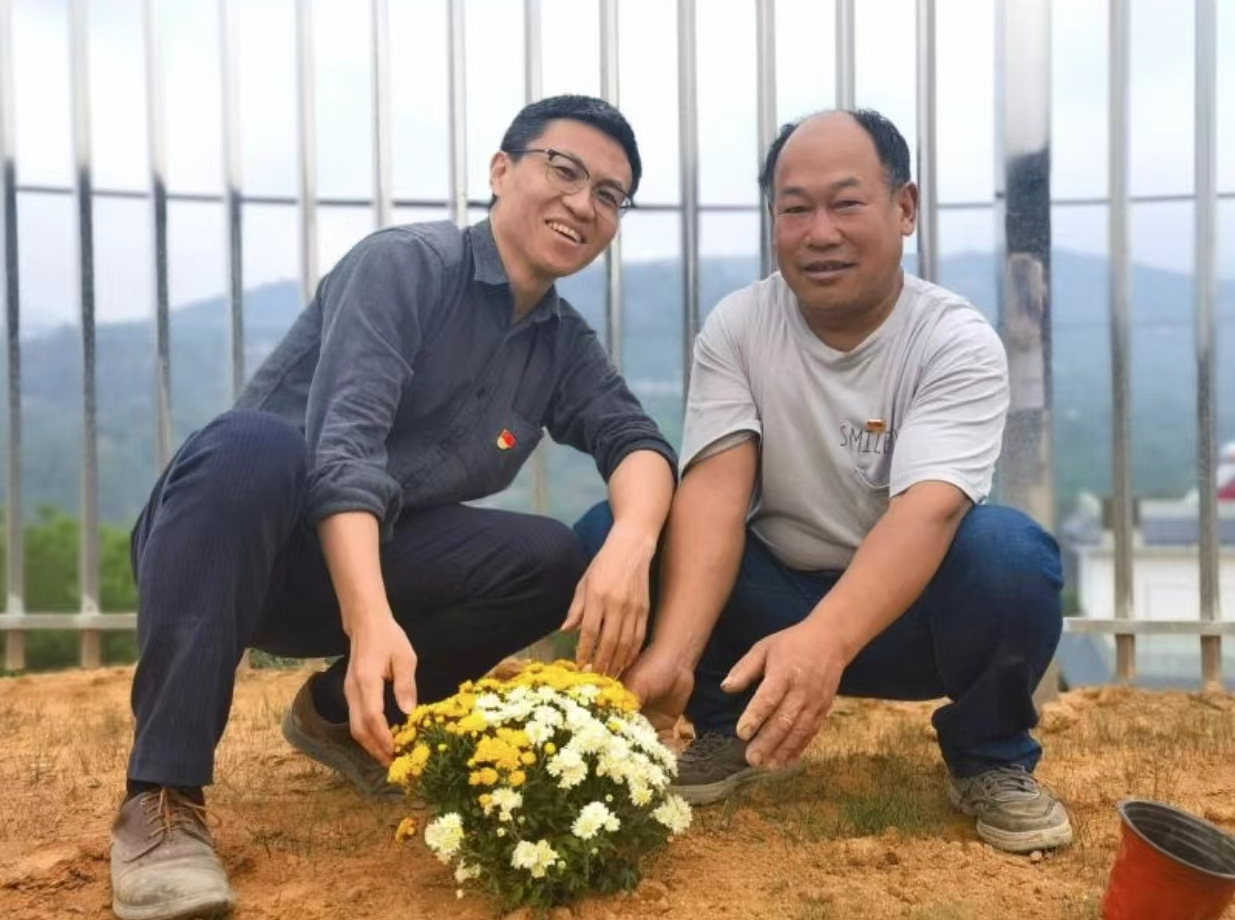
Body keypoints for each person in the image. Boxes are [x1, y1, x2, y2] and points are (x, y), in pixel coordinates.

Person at [111, 94, 677, 920]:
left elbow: (636, 441)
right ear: (501, 170)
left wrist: (630, 540)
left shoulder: (560, 343)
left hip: (356, 566)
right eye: (563, 169)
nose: (583, 202)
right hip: (228, 547)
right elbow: (341, 455)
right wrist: (371, 619)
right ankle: (159, 800)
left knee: (551, 557)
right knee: (253, 443)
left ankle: (343, 719)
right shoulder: (405, 266)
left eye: (609, 194)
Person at [576, 108, 1072, 855]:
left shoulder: (953, 339)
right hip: (772, 609)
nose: (819, 233)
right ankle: (726, 725)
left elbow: (929, 513)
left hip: (910, 618)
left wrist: (825, 640)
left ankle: (989, 757)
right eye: (795, 209)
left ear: (904, 208)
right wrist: (673, 653)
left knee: (1010, 553)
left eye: (845, 203)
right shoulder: (740, 326)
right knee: (613, 534)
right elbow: (713, 495)